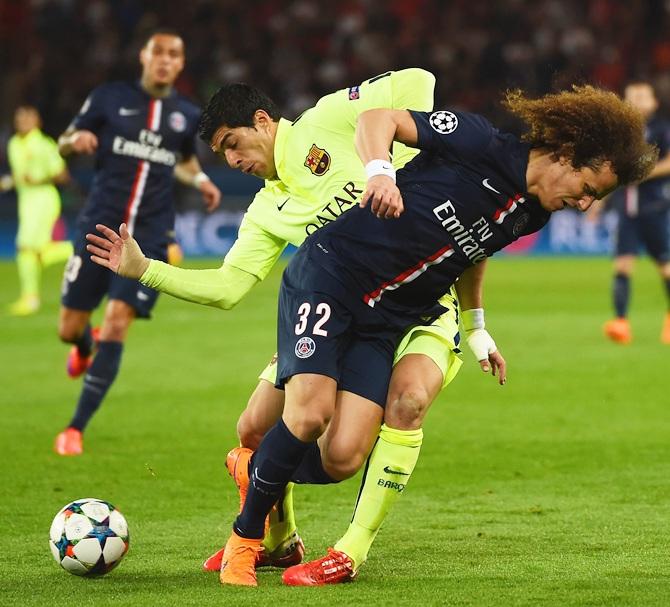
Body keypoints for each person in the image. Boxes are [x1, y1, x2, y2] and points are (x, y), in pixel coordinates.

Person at [205, 84, 652, 586]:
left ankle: (257, 469)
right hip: (334, 275)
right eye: (590, 188)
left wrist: (476, 326)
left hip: (387, 316)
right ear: (568, 154)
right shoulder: (480, 141)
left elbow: (472, 251)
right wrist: (380, 173)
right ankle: (244, 541)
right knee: (308, 415)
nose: (586, 205)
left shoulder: (535, 210)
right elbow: (379, 118)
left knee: (344, 455)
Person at [84, 70, 503, 572]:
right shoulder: (265, 211)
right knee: (254, 428)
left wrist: (398, 164)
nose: (234, 161)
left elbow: (419, 79)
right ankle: (281, 541)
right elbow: (228, 287)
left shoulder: (328, 118)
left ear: (263, 121)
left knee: (397, 411)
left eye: (234, 145)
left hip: (422, 305)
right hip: (343, 315)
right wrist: (144, 269)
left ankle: (351, 549)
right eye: (223, 155)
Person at [53, 29, 221, 456]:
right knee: (68, 328)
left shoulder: (185, 113)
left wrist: (200, 178)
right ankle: (84, 345)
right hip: (97, 228)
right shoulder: (108, 98)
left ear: (181, 64)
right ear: (144, 56)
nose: (165, 60)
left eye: (174, 55)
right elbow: (64, 142)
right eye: (158, 52)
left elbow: (182, 161)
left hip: (146, 236)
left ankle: (75, 428)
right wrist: (78, 142)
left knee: (117, 319)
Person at [596, 81, 670, 344]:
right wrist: (597, 201)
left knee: (665, 267)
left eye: (642, 96)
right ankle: (621, 322)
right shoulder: (619, 135)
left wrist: (643, 173)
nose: (637, 101)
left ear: (654, 102)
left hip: (655, 207)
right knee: (622, 265)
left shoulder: (662, 129)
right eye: (632, 96)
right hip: (626, 210)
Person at [1, 105, 72, 316]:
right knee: (34, 252)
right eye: (19, 118)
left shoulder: (44, 144)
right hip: (26, 201)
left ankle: (30, 298)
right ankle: (77, 249)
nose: (22, 122)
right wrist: (6, 182)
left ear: (37, 121)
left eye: (27, 118)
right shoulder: (13, 144)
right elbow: (19, 175)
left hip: (43, 199)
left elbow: (63, 175)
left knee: (25, 248)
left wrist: (39, 178)